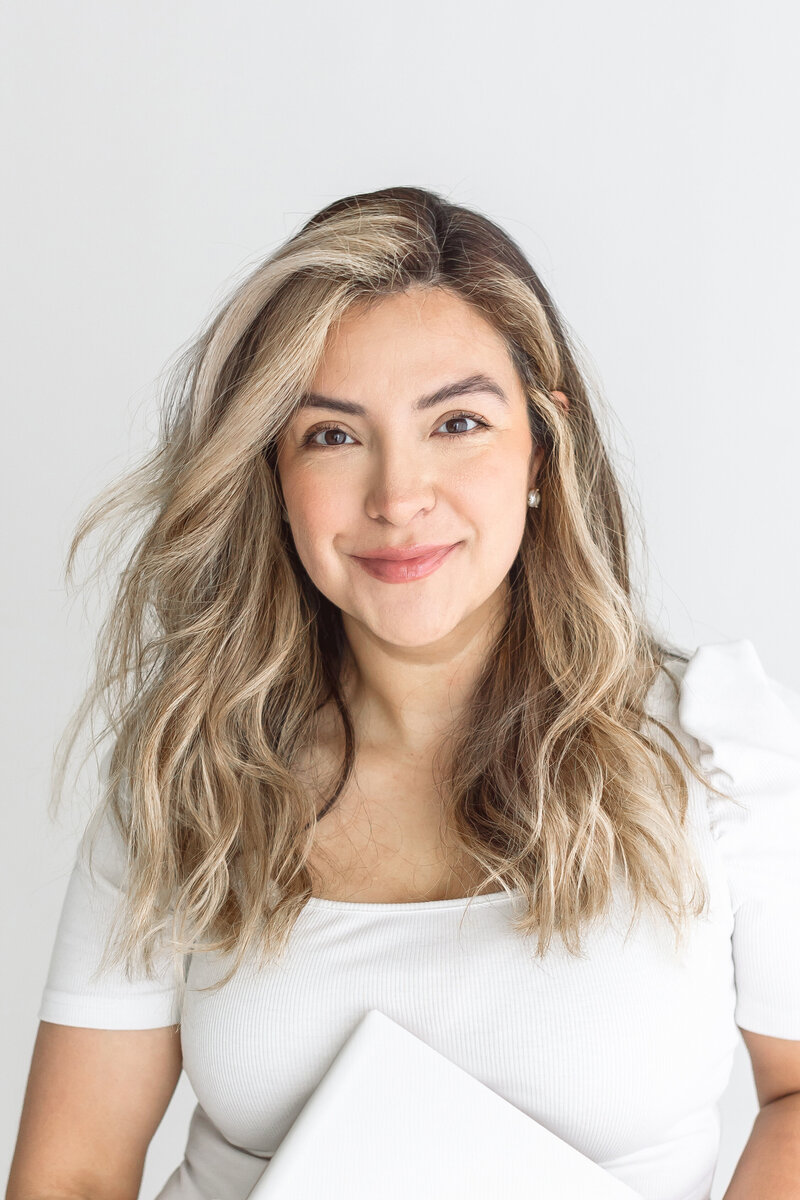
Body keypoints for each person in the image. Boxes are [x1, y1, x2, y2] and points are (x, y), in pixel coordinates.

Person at [7, 185, 800, 1200]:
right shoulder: (192, 774)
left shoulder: (713, 749)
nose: (396, 498)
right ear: (271, 473)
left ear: (540, 450)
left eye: (456, 422)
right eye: (332, 436)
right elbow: (71, 1172)